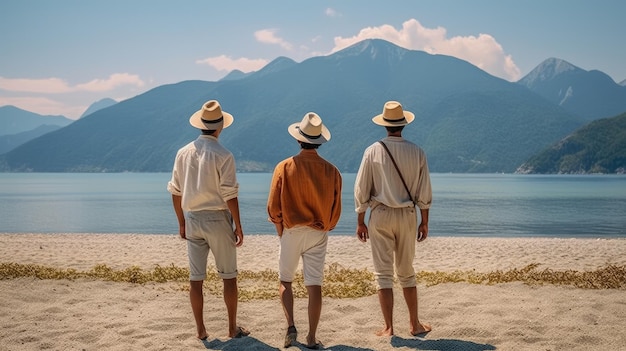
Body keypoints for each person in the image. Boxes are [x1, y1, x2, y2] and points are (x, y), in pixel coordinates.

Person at [167, 100, 250, 340]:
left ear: (200, 124)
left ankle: (201, 330)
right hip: (217, 218)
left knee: (196, 279)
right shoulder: (224, 155)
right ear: (220, 126)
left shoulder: (183, 153)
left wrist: (181, 221)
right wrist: (239, 225)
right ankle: (232, 328)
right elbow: (230, 194)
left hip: (192, 219)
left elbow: (175, 191)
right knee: (229, 276)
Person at [354, 100, 433, 337]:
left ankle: (389, 328)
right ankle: (414, 324)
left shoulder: (373, 151)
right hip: (408, 215)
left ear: (384, 125)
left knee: (383, 273)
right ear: (403, 125)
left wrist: (360, 220)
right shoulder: (417, 151)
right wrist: (424, 220)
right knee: (407, 271)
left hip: (380, 215)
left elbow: (361, 190)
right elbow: (424, 191)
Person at [267, 112, 342, 349]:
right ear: (319, 140)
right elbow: (335, 209)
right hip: (318, 232)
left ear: (299, 139)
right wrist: (325, 227)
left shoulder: (285, 166)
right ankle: (311, 337)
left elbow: (273, 207)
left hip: (291, 230)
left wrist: (281, 228)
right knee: (314, 285)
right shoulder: (332, 171)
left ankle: (290, 326)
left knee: (285, 280)